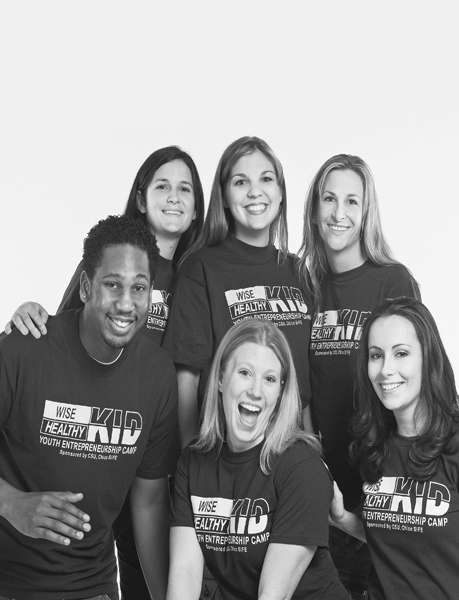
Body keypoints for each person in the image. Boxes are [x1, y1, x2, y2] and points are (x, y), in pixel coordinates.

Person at [3, 145, 205, 600]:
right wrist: (11, 503)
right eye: (113, 285)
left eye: (140, 288)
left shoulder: (156, 376)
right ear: (86, 284)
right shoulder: (24, 351)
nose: (126, 303)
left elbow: (150, 503)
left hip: (93, 585)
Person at [296, 154, 421, 597]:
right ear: (314, 208)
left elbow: (416, 387)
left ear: (367, 212)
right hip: (326, 503)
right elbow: (302, 391)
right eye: (329, 199)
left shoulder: (392, 281)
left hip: (383, 502)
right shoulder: (304, 286)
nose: (339, 213)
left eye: (352, 200)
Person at [168, 319, 350, 600]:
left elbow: (272, 595)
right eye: (244, 372)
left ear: (280, 392)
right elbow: (185, 574)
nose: (255, 390)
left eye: (269, 379)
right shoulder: (193, 463)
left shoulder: (302, 468)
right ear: (220, 378)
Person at [163, 136, 312, 448]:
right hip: (225, 455)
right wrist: (192, 460)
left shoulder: (298, 272)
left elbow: (304, 383)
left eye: (266, 179)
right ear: (226, 198)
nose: (255, 191)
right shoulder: (202, 268)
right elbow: (185, 380)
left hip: (290, 454)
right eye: (241, 181)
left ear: (280, 193)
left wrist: (313, 447)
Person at [329, 296, 459, 600]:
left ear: (429, 358)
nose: (386, 369)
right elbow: (394, 535)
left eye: (401, 353)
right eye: (376, 355)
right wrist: (340, 518)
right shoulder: (376, 446)